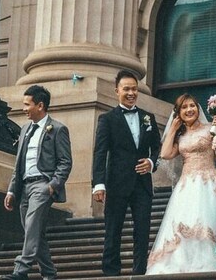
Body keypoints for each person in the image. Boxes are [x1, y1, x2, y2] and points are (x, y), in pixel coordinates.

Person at [146, 94, 216, 274]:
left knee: (208, 222)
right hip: (187, 186)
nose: (189, 110)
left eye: (192, 106)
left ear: (198, 109)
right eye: (184, 107)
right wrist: (174, 129)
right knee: (184, 223)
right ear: (178, 113)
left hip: (209, 184)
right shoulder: (180, 135)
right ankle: (184, 265)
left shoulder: (210, 129)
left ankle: (210, 265)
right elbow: (166, 154)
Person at [92, 69, 162, 276]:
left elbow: (157, 147)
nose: (131, 93)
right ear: (117, 91)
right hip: (116, 183)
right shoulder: (107, 119)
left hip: (142, 184)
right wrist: (99, 183)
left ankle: (139, 272)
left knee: (142, 233)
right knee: (113, 231)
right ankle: (111, 274)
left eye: (134, 89)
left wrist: (151, 162)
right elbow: (100, 152)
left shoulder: (148, 117)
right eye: (126, 89)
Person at [1, 85, 73, 280]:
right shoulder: (24, 129)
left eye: (27, 104)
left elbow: (66, 162)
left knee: (32, 225)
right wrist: (11, 191)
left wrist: (53, 185)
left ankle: (21, 270)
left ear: (40, 105)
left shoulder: (58, 129)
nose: (23, 108)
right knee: (34, 230)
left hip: (43, 184)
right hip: (24, 186)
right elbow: (19, 163)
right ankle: (49, 273)